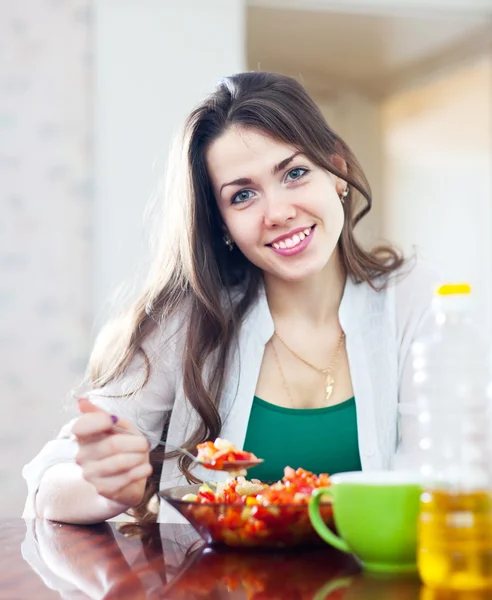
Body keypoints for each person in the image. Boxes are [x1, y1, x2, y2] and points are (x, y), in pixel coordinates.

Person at [22, 71, 437, 524]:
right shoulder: (189, 316)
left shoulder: (413, 302)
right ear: (220, 222)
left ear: (337, 171)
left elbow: (444, 478)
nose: (277, 212)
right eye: (242, 196)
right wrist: (107, 488)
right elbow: (50, 479)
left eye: (295, 173)